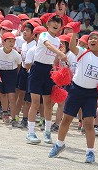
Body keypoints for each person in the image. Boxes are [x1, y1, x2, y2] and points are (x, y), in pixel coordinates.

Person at [49, 30, 98, 163]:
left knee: (88, 124)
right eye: (90, 38)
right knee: (66, 120)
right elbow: (71, 47)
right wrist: (75, 33)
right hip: (76, 90)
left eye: (96, 38)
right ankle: (59, 144)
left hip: (91, 94)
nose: (92, 40)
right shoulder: (83, 52)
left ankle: (90, 152)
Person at [26, 14, 67, 145]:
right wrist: (60, 53)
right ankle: (30, 132)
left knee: (48, 104)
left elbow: (55, 59)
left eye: (58, 22)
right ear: (48, 24)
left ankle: (47, 132)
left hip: (49, 71)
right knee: (35, 102)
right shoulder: (44, 35)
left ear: (60, 27)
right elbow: (48, 46)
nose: (56, 24)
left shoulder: (59, 41)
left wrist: (57, 69)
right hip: (37, 70)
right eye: (53, 22)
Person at [0, 33, 22, 126]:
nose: (12, 43)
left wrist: (14, 76)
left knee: (11, 96)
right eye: (9, 41)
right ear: (3, 42)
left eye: (13, 41)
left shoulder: (16, 54)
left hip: (11, 75)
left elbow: (19, 65)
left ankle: (13, 119)